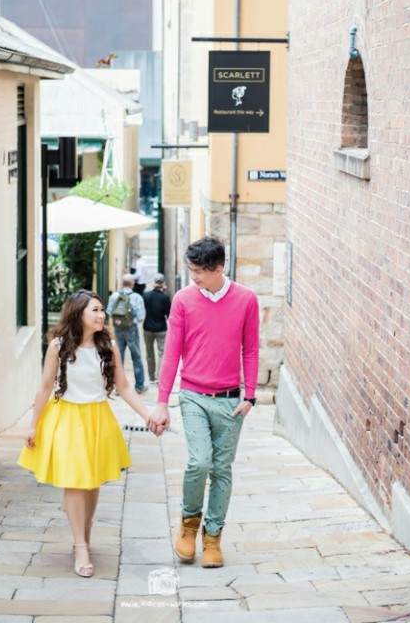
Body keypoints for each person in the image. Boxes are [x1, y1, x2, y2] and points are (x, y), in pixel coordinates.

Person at [18, 290, 162, 579]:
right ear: (78, 313)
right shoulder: (58, 346)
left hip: (97, 418)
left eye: (101, 310)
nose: (101, 315)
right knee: (74, 480)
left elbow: (124, 387)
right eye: (94, 310)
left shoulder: (108, 346)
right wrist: (33, 424)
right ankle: (81, 547)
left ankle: (84, 533)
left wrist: (147, 415)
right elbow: (44, 387)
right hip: (67, 417)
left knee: (92, 481)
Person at [147, 236, 259, 569]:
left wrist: (250, 395)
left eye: (198, 271)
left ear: (218, 268)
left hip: (230, 401)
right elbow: (171, 353)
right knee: (199, 462)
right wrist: (162, 402)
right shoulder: (183, 299)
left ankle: (212, 538)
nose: (192, 276)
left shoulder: (246, 300)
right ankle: (188, 524)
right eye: (190, 269)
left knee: (222, 469)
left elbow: (251, 349)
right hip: (193, 395)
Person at [106, 274, 148, 393]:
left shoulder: (114, 296)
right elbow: (141, 316)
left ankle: (118, 387)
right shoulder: (137, 297)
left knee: (118, 357)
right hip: (131, 329)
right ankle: (139, 386)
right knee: (136, 357)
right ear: (133, 284)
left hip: (118, 329)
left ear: (122, 283)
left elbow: (109, 312)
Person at [143, 273, 171, 384]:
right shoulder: (165, 297)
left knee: (149, 353)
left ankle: (151, 377)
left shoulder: (146, 295)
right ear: (163, 284)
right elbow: (169, 315)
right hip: (161, 328)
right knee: (162, 353)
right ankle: (159, 377)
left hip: (147, 327)